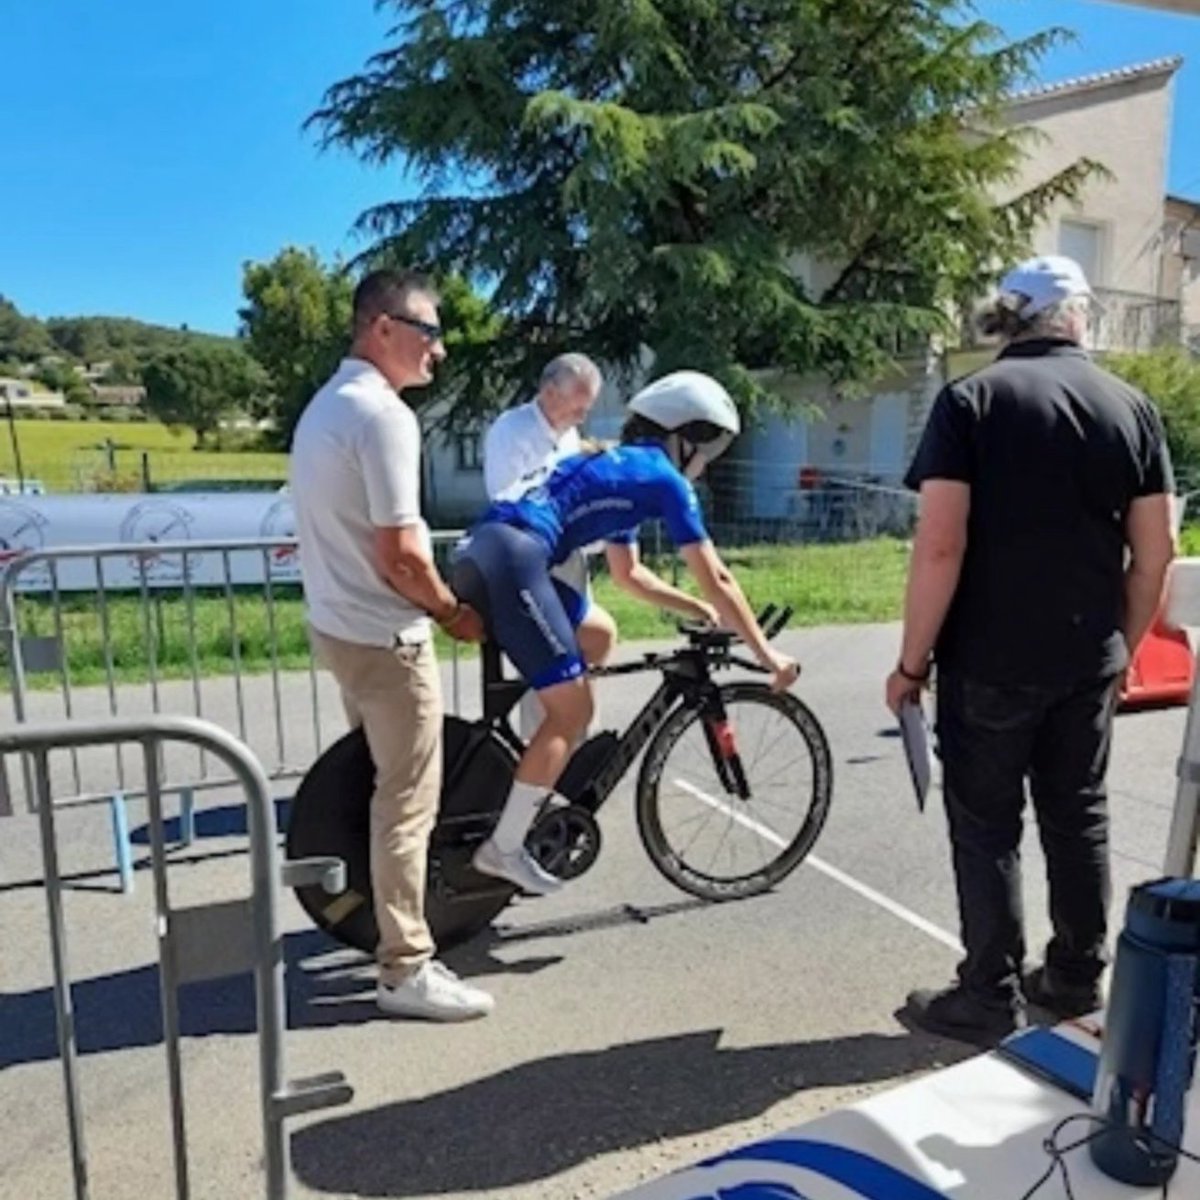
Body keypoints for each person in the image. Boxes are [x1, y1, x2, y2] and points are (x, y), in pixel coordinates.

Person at [886, 254, 1176, 1046]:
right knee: (1078, 812)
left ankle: (989, 992)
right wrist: (1124, 642)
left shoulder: (970, 401)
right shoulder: (1133, 408)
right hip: (1089, 657)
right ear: (1078, 316)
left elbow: (940, 545)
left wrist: (911, 665)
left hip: (987, 656)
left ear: (1008, 318)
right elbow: (1155, 551)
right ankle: (1077, 976)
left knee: (986, 825)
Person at [452, 370, 802, 896]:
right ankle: (503, 847)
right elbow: (720, 574)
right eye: (712, 448)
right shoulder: (665, 479)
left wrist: (696, 607)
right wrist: (768, 655)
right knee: (574, 713)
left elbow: (628, 574)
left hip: (487, 550)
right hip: (516, 559)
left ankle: (528, 769)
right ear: (689, 436)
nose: (709, 463)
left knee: (596, 634)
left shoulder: (618, 464)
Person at [290, 269, 495, 1023]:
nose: (439, 351)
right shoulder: (382, 417)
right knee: (407, 806)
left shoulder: (324, 407)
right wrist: (452, 614)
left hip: (339, 627)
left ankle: (381, 926)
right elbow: (404, 556)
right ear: (382, 328)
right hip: (386, 636)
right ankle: (405, 968)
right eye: (430, 332)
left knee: (381, 793)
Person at [483, 352, 618, 736]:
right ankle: (542, 750)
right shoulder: (511, 431)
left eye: (587, 406)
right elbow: (506, 501)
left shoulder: (569, 434)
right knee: (558, 659)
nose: (582, 416)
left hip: (569, 561)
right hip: (531, 565)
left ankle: (568, 744)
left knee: (577, 656)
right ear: (548, 392)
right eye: (579, 404)